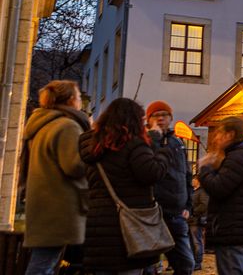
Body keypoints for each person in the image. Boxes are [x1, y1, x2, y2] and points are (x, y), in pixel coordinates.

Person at [78, 98, 172, 275]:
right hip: (127, 228)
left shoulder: (92, 146)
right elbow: (152, 173)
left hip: (97, 225)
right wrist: (163, 152)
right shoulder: (134, 144)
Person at [21, 80, 90, 275]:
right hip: (60, 206)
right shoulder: (67, 126)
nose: (80, 103)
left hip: (44, 203)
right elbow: (74, 166)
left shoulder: (42, 123)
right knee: (44, 264)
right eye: (78, 98)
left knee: (46, 261)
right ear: (70, 100)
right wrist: (91, 154)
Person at [198, 117, 243, 275]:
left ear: (230, 134)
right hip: (241, 227)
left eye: (219, 133)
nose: (216, 138)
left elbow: (219, 188)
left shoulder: (239, 157)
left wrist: (204, 169)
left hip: (233, 228)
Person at [145, 100, 194, 275]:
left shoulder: (177, 143)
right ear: (148, 119)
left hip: (177, 213)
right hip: (151, 212)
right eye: (155, 115)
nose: (160, 119)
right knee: (148, 267)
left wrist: (188, 205)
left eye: (164, 115)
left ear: (170, 118)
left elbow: (187, 175)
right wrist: (154, 139)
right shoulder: (144, 141)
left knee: (186, 264)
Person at [188, 175, 209, 271]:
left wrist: (193, 212)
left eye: (194, 180)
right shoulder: (193, 191)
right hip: (191, 220)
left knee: (197, 242)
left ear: (198, 181)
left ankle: (198, 263)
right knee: (192, 243)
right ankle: (193, 262)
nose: (192, 181)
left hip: (197, 221)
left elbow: (204, 205)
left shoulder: (202, 191)